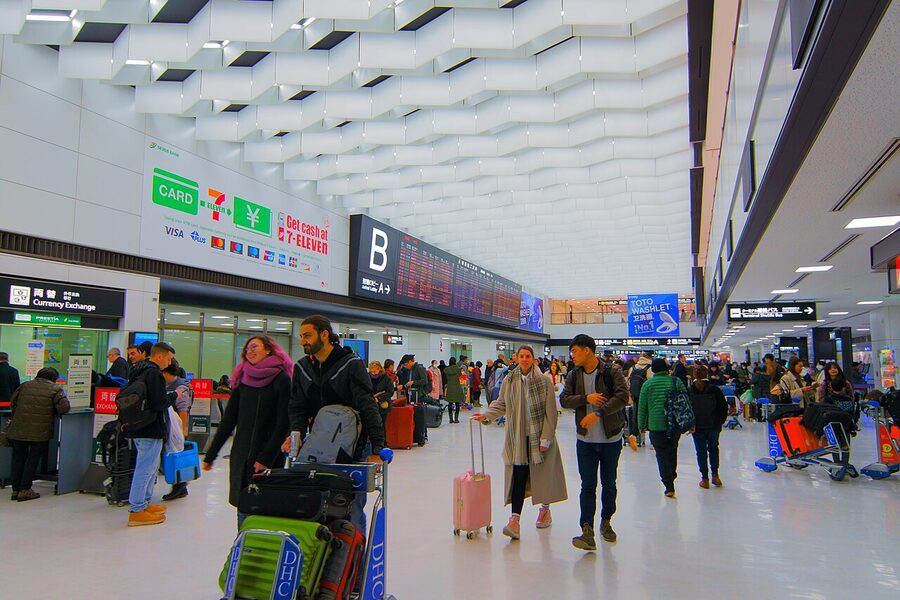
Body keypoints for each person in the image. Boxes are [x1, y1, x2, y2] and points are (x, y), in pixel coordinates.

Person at [288, 315, 385, 534]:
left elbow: (368, 405)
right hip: (319, 447)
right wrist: (295, 434)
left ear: (324, 334)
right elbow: (297, 407)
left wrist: (378, 447)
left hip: (354, 448)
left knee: (350, 508)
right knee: (317, 505)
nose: (303, 341)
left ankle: (353, 558)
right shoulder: (303, 368)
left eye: (307, 335)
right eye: (301, 336)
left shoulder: (351, 364)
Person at [473, 346, 567, 540]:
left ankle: (545, 510)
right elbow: (501, 404)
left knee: (543, 476)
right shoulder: (510, 380)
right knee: (519, 476)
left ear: (533, 359)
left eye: (528, 356)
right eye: (521, 356)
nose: (524, 359)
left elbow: (551, 413)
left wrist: (546, 438)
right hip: (518, 437)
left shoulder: (543, 381)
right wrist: (487, 415)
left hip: (540, 437)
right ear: (517, 358)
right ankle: (514, 521)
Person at [203, 336, 292, 529]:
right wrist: (211, 454)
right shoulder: (242, 379)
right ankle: (243, 547)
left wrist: (266, 458)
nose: (249, 351)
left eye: (254, 347)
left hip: (268, 456)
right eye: (247, 348)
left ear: (269, 350)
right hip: (242, 455)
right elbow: (228, 421)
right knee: (243, 506)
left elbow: (283, 423)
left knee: (265, 508)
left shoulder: (282, 379)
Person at [560, 335, 628, 550]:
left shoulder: (611, 372)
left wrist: (598, 413)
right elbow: (564, 399)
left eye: (575, 351)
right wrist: (585, 398)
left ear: (587, 350)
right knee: (587, 485)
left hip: (610, 439)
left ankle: (606, 521)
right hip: (585, 441)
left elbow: (622, 397)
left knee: (609, 484)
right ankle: (586, 530)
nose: (572, 355)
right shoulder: (574, 375)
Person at [124, 342, 175, 527]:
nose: (169, 363)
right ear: (159, 356)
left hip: (139, 426)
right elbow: (159, 403)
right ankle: (137, 509)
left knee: (148, 467)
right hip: (150, 427)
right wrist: (175, 396)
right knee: (145, 469)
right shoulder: (154, 374)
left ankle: (144, 503)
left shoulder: (139, 370)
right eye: (168, 358)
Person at [6, 367, 69, 501]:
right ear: (53, 378)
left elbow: (13, 402)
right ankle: (25, 489)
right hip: (40, 430)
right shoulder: (55, 389)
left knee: (18, 458)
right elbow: (63, 408)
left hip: (18, 428)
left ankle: (15, 490)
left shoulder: (24, 386)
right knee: (32, 459)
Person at [639, 357, 690, 498]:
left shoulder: (647, 385)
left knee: (661, 454)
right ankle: (671, 476)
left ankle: (668, 485)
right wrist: (690, 422)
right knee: (672, 450)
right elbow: (686, 402)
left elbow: (642, 408)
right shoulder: (676, 381)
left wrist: (641, 425)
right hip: (674, 424)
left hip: (656, 426)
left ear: (653, 370)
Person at [688, 366, 728, 489]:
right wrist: (720, 421)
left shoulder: (691, 390)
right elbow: (723, 407)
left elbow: (687, 408)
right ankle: (715, 475)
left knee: (701, 452)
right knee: (713, 449)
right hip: (713, 425)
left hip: (697, 426)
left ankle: (704, 478)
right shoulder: (715, 390)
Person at [161, 359, 192, 501]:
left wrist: (183, 429)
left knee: (175, 456)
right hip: (169, 426)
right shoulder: (168, 384)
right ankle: (180, 486)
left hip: (175, 427)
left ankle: (179, 486)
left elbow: (183, 409)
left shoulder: (180, 386)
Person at [627, 352, 653, 448]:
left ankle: (634, 435)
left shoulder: (633, 367)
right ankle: (652, 441)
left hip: (635, 395)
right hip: (646, 396)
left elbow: (628, 383)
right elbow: (651, 382)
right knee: (650, 416)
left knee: (636, 414)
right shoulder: (650, 367)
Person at [370, 361, 395, 440]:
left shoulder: (385, 378)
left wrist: (379, 398)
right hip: (370, 405)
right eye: (372, 369)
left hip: (383, 405)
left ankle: (382, 442)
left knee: (381, 424)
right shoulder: (366, 377)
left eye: (376, 369)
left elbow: (390, 392)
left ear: (380, 369)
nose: (374, 371)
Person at [443, 357, 464, 423]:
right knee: (457, 403)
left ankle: (450, 419)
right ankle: (456, 419)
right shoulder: (458, 369)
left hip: (450, 387)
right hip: (457, 387)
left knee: (450, 403)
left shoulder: (446, 370)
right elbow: (461, 377)